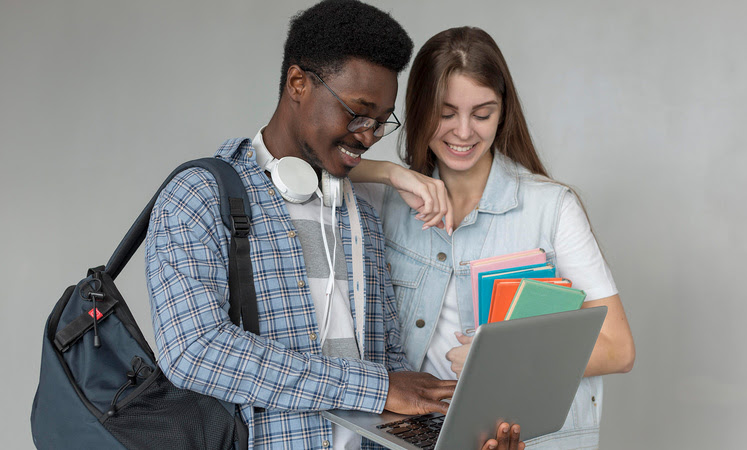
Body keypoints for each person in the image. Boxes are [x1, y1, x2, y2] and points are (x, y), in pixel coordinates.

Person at [145, 2, 522, 449]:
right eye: (357, 112)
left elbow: (391, 364)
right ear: (298, 83)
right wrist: (376, 387)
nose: (367, 136)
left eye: (381, 122)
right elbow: (195, 352)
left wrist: (453, 437)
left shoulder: (359, 212)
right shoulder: (198, 197)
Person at [351, 26, 635, 449]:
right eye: (446, 113)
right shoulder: (384, 200)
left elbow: (618, 349)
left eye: (482, 114)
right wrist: (391, 172)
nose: (463, 133)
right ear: (419, 109)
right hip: (419, 436)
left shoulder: (551, 208)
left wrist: (501, 364)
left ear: (503, 113)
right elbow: (305, 165)